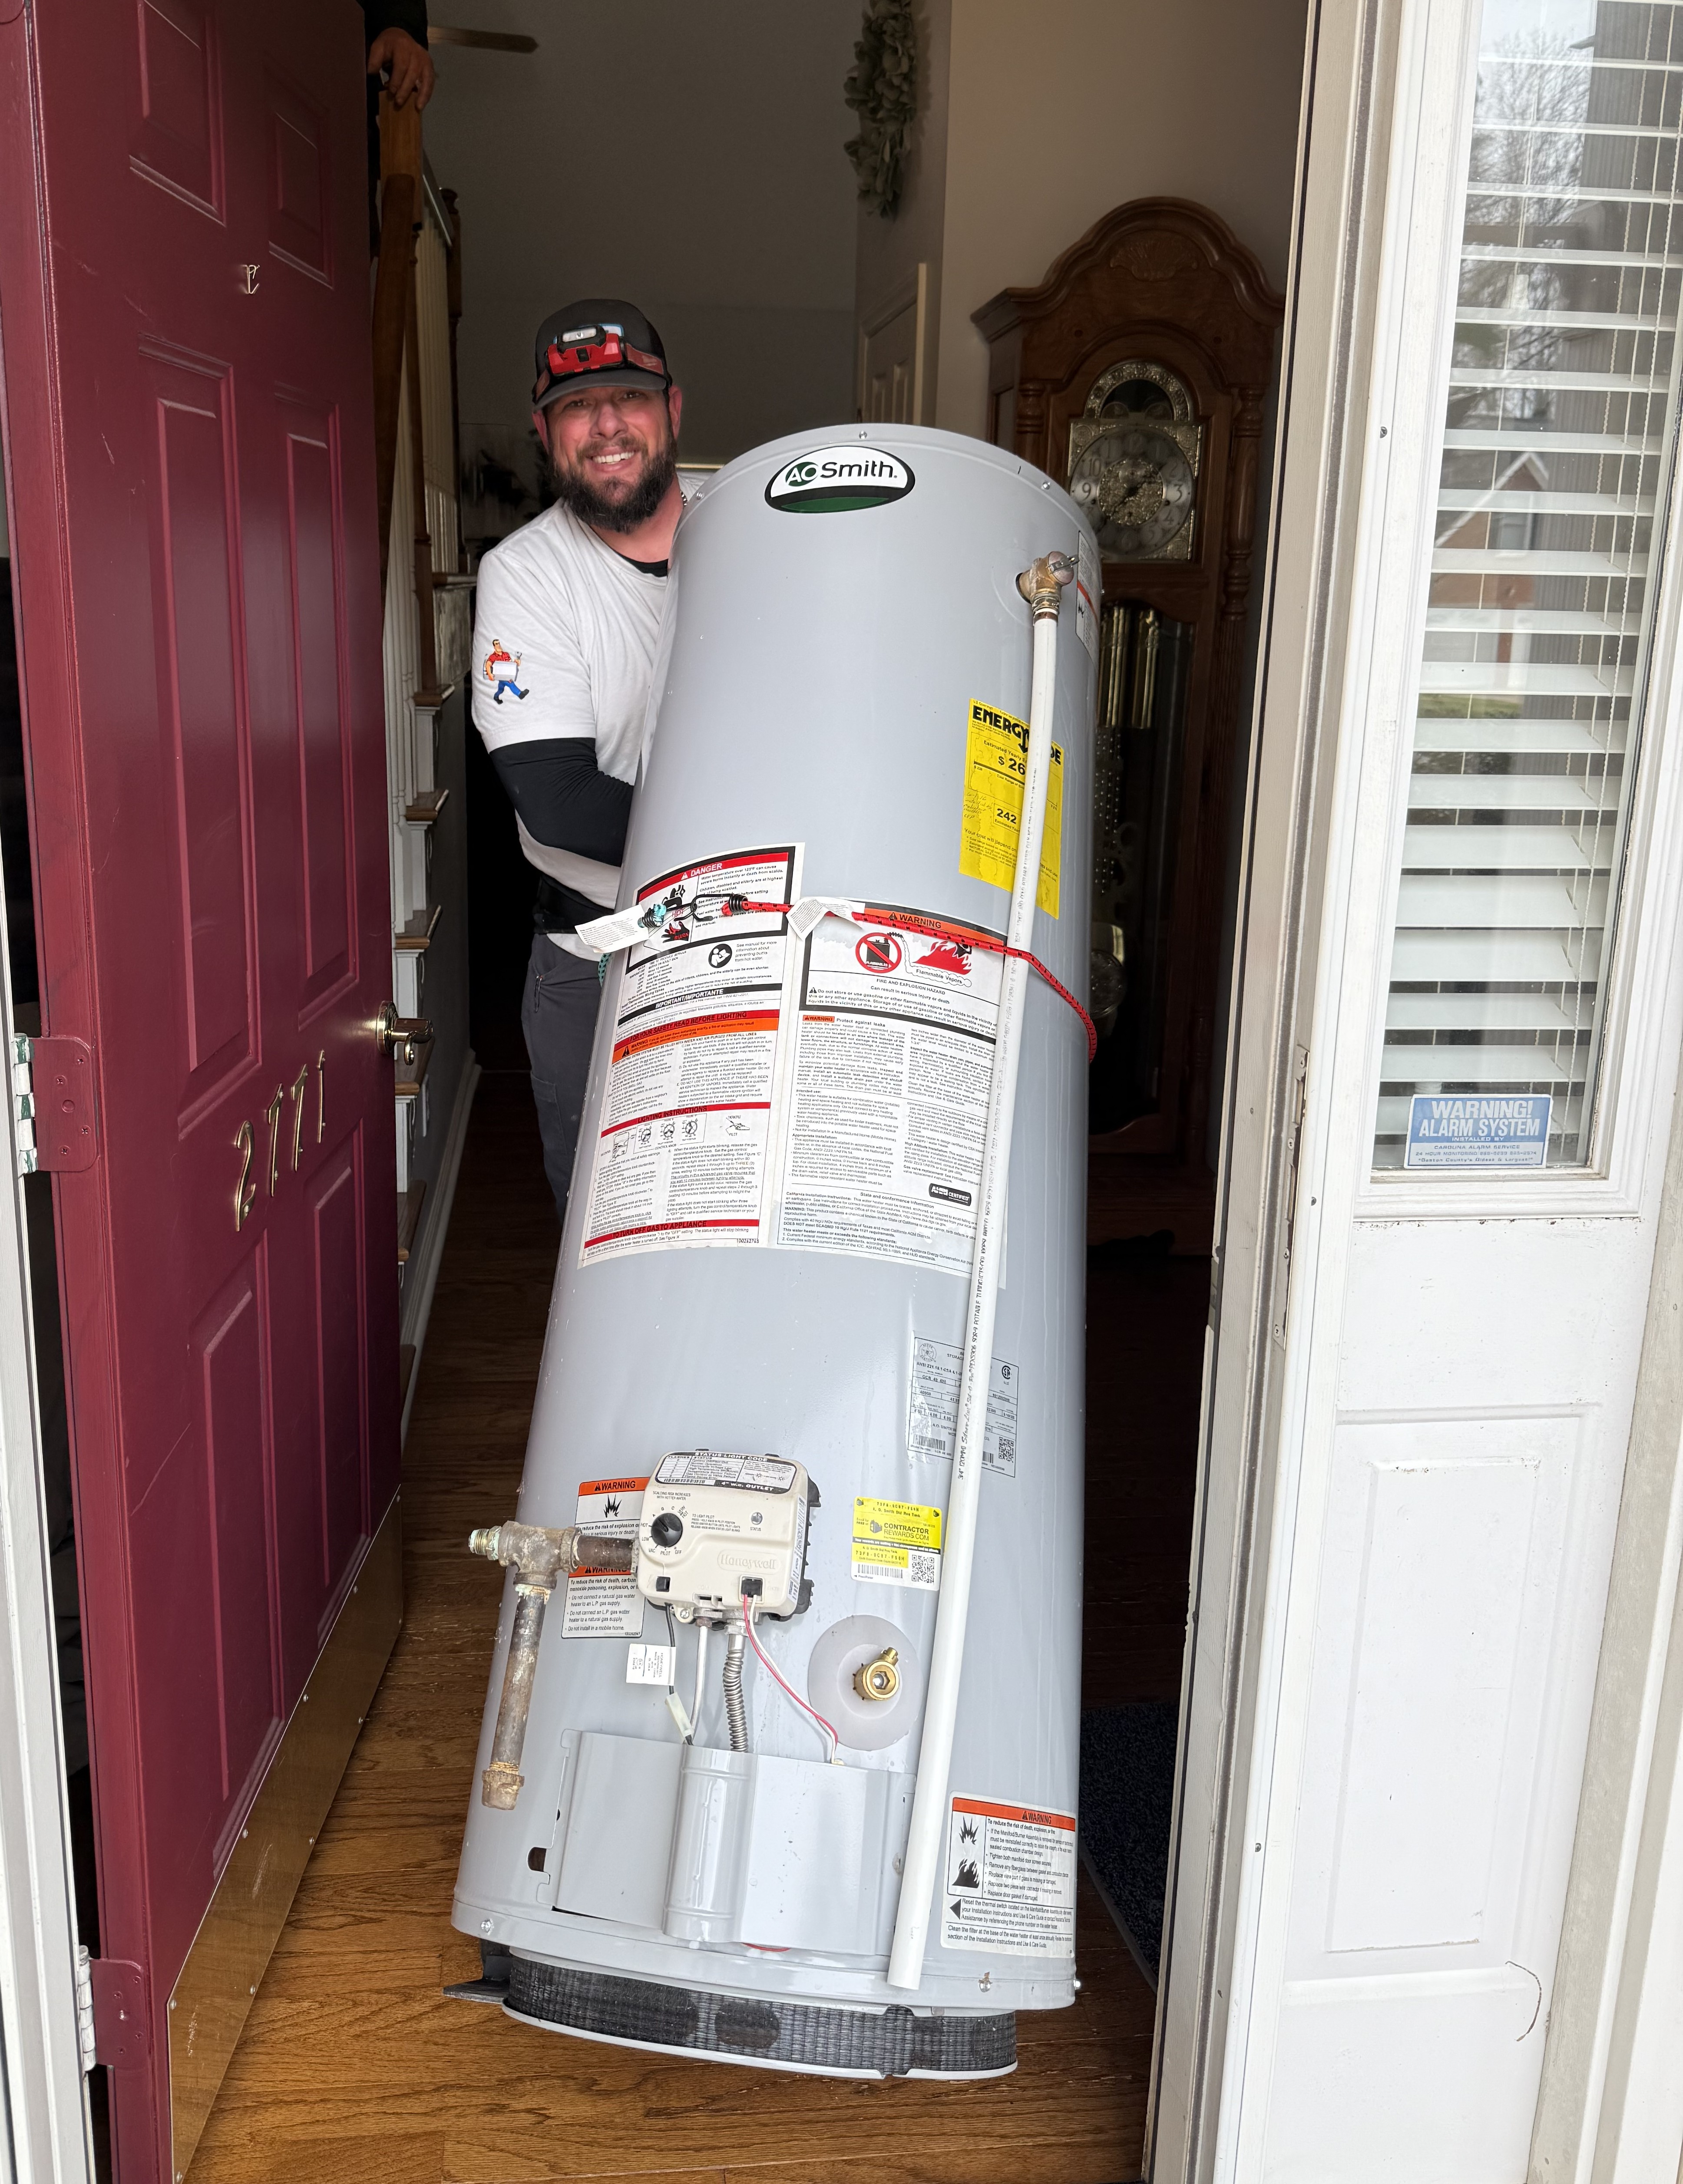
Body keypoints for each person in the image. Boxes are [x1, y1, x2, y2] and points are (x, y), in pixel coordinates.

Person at [470, 302, 685, 1224]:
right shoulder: (528, 574)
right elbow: (557, 802)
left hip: (757, 944)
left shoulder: (752, 538)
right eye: (576, 407)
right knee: (607, 1225)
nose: (605, 426)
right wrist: (759, 834)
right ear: (544, 430)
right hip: (596, 954)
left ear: (673, 408)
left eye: (626, 398)